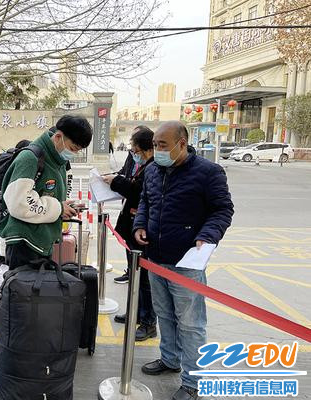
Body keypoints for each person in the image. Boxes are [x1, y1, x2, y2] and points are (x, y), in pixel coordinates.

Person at [133, 121, 234, 400]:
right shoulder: (153, 169)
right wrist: (140, 224)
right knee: (164, 315)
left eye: (162, 145)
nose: (157, 150)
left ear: (182, 143)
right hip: (156, 259)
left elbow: (223, 210)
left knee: (190, 324)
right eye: (155, 145)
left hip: (187, 262)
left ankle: (193, 381)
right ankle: (170, 359)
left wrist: (207, 235)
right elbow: (146, 202)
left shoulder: (208, 172)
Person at [0, 115, 92, 269]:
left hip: (40, 240)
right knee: (23, 292)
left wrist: (64, 206)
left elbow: (46, 195)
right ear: (58, 137)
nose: (73, 153)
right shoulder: (29, 158)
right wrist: (59, 208)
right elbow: (19, 203)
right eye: (73, 148)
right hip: (24, 242)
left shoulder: (57, 160)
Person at [102, 126, 157, 341]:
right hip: (131, 229)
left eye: (134, 149)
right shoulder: (142, 166)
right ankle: (136, 312)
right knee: (136, 277)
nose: (133, 153)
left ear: (146, 150)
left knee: (144, 280)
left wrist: (116, 182)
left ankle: (148, 321)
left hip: (142, 233)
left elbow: (137, 192)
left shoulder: (154, 168)